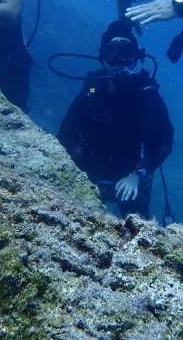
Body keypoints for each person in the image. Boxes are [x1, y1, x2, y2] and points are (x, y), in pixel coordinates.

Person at [57, 21, 174, 219]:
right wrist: (77, 169)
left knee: (137, 230)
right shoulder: (91, 91)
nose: (120, 60)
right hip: (89, 176)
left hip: (133, 180)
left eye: (127, 52)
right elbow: (65, 135)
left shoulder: (147, 95)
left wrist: (139, 174)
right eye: (112, 53)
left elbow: (165, 142)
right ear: (103, 58)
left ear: (136, 58)